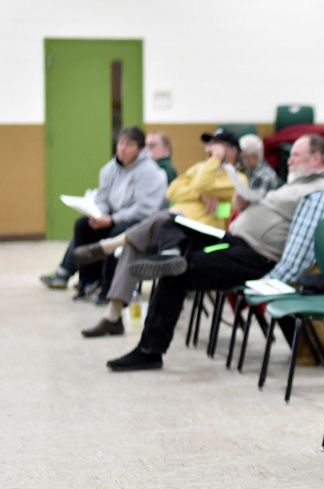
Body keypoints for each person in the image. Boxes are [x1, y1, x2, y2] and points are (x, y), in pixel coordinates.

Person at [105, 134, 324, 371]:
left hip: (258, 257)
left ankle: (149, 352)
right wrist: (247, 207)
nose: (289, 160)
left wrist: (271, 282)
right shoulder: (300, 185)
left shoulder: (322, 192)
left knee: (180, 271)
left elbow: (301, 245)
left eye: (295, 155)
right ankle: (171, 253)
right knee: (171, 221)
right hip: (237, 242)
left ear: (315, 159)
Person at [73, 128, 249, 337]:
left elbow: (204, 188)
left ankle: (110, 246)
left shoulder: (238, 179)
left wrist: (205, 181)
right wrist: (202, 194)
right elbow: (173, 190)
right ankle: (113, 318)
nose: (210, 150)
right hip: (172, 229)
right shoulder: (199, 169)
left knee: (163, 217)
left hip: (203, 237)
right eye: (210, 146)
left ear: (231, 151)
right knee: (135, 244)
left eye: (216, 146)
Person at [40, 127, 168, 297]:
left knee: (117, 232)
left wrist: (112, 219)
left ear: (140, 149)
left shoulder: (150, 172)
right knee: (83, 226)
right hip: (112, 218)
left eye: (129, 145)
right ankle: (88, 282)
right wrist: (98, 215)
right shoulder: (109, 169)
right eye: (121, 143)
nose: (122, 148)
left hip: (139, 222)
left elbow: (144, 209)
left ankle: (109, 288)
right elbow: (103, 198)